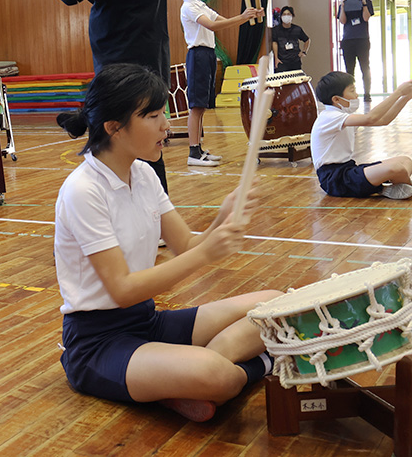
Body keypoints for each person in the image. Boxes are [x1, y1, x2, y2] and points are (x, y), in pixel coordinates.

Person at [54, 63, 279, 422]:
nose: (166, 126)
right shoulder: (83, 190)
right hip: (98, 344)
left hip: (147, 323)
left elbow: (187, 244)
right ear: (114, 127)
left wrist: (223, 215)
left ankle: (190, 372)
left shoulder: (143, 173)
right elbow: (124, 290)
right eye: (154, 115)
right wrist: (207, 252)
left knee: (276, 305)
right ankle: (246, 366)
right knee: (216, 376)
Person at [26, 0, 170, 191]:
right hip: (142, 60)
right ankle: (84, 119)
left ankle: (150, 218)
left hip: (125, 67)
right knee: (136, 142)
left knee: (127, 144)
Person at [175, 0, 261, 166]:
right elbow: (212, 26)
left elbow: (225, 22)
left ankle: (199, 149)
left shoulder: (201, 5)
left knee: (203, 106)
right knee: (196, 106)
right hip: (197, 55)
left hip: (208, 54)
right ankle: (193, 153)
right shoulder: (189, 7)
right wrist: (242, 17)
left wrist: (249, 15)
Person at [310, 71, 412, 199]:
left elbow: (384, 120)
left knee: (405, 161)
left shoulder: (342, 117)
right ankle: (392, 187)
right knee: (397, 168)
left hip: (348, 169)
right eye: (352, 91)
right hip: (335, 179)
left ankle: (388, 188)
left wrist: (406, 97)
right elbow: (370, 118)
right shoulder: (329, 117)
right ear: (336, 99)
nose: (356, 95)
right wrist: (398, 93)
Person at [336, 0, 374, 102]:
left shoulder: (367, 2)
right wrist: (342, 6)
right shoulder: (344, 3)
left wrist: (363, 4)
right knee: (349, 69)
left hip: (362, 39)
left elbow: (366, 18)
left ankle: (367, 94)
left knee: (365, 67)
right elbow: (342, 21)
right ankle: (350, 93)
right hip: (348, 40)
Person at [271, 6, 309, 73]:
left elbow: (307, 40)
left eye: (288, 14)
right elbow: (274, 43)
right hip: (282, 61)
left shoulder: (297, 29)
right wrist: (276, 58)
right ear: (281, 16)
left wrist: (304, 51)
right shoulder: (276, 30)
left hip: (295, 61)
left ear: (292, 16)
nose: (286, 16)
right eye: (284, 14)